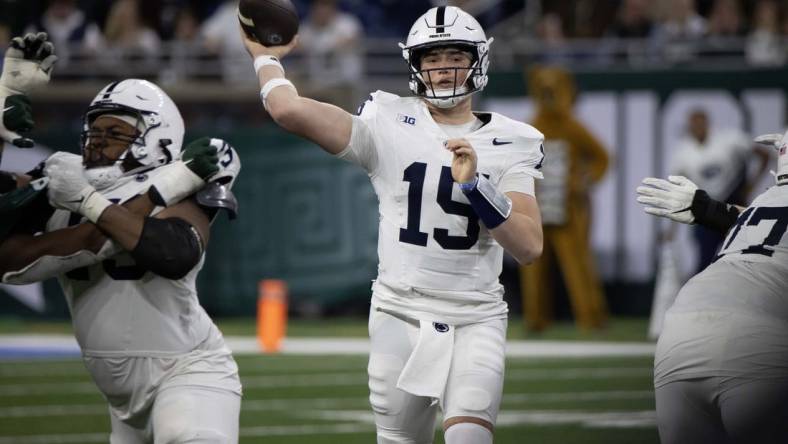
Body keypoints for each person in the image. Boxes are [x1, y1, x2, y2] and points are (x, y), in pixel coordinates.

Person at [241, 6, 545, 443]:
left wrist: (478, 186)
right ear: (415, 65)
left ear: (478, 60)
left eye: (455, 57)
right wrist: (264, 58)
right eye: (432, 59)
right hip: (399, 311)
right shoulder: (386, 119)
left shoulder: (515, 139)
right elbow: (288, 110)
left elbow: (530, 245)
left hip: (476, 316)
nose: (443, 70)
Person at [0, 33, 243, 444]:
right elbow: (9, 258)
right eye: (93, 131)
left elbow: (172, 252)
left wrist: (95, 208)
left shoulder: (184, 181)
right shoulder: (66, 179)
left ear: (157, 137)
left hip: (189, 372)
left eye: (114, 132)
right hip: (122, 404)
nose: (97, 143)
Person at [636, 129, 788, 444]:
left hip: (680, 332)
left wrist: (707, 208)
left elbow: (751, 224)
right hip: (760, 336)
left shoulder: (764, 202)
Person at [520, 66, 609, 332]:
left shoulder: (573, 128)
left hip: (569, 211)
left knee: (578, 267)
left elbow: (602, 158)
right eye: (543, 91)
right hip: (537, 210)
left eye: (553, 91)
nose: (548, 97)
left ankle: (591, 317)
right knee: (533, 267)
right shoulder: (531, 127)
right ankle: (535, 319)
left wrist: (586, 181)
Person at [670, 108, 770, 273]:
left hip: (734, 206)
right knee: (704, 263)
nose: (698, 127)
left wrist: (751, 186)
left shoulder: (730, 140)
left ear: (707, 122)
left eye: (700, 122)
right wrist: (672, 228)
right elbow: (677, 189)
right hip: (705, 210)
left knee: (742, 260)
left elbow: (764, 155)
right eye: (693, 124)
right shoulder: (683, 153)